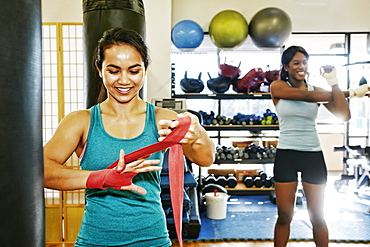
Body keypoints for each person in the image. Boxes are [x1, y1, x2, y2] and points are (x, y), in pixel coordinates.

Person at [44, 28, 215, 247]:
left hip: (152, 239)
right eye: (114, 71)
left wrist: (197, 131)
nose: (124, 81)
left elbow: (206, 159)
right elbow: (42, 170)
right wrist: (103, 177)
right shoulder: (82, 121)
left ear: (145, 70)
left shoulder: (163, 119)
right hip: (95, 240)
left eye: (134, 71)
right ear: (100, 69)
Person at [270, 45, 369, 247]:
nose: (301, 67)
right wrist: (352, 92)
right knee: (284, 216)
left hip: (312, 156)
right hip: (286, 155)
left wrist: (333, 83)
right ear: (286, 66)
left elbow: (345, 115)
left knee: (317, 216)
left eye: (305, 62)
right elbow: (307, 97)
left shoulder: (317, 91)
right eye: (296, 63)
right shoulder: (278, 87)